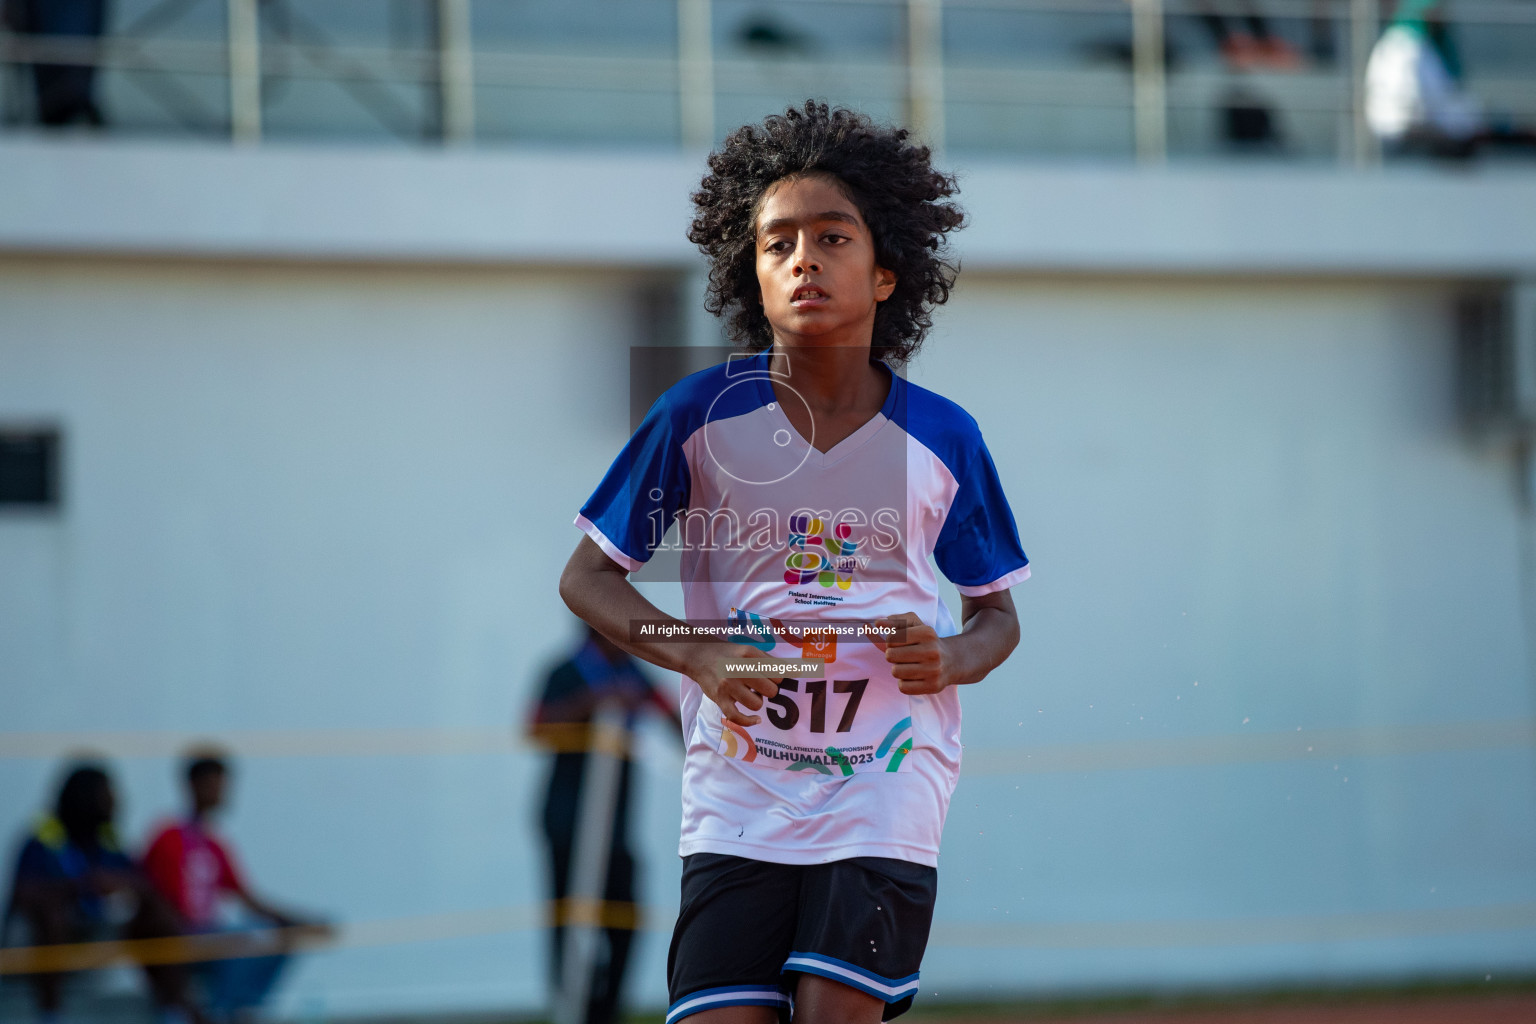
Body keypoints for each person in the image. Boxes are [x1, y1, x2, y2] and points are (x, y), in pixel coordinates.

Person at [559, 101, 1029, 1024]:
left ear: (888, 273)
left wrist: (951, 655)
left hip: (882, 783)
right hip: (739, 791)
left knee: (830, 1012)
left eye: (832, 237)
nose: (803, 258)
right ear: (753, 277)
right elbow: (587, 578)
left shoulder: (942, 436)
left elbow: (996, 616)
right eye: (777, 244)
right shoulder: (699, 416)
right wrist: (695, 651)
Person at [527, 625, 679, 1024]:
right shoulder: (564, 671)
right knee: (569, 919)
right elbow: (535, 728)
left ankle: (606, 1011)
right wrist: (594, 701)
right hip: (565, 819)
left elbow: (674, 719)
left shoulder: (632, 671)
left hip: (615, 828)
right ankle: (570, 1006)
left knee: (625, 916)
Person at [4, 762, 199, 1024]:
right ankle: (50, 1014)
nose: (116, 803)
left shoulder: (107, 839)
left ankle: (174, 1011)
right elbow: (22, 895)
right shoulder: (42, 838)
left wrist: (119, 882)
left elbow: (143, 881)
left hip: (93, 928)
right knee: (52, 915)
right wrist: (80, 885)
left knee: (159, 914)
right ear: (84, 797)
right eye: (107, 796)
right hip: (38, 938)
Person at [140, 750, 324, 1024]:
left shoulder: (213, 844)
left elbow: (247, 897)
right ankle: (223, 1011)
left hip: (209, 933)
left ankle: (237, 1009)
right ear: (193, 786)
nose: (219, 793)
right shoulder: (167, 837)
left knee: (275, 938)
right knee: (244, 938)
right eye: (213, 785)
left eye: (222, 786)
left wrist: (299, 922)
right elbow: (147, 892)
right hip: (182, 933)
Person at [1365, 0, 1536, 158]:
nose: (1439, 18)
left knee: (1509, 131)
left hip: (1438, 127)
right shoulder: (1407, 49)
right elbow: (1415, 108)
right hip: (1416, 135)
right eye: (1433, 12)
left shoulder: (1415, 45)